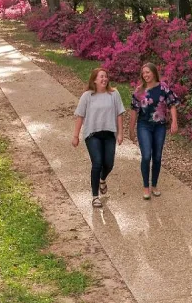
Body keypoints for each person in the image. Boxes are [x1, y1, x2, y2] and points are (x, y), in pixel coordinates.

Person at [73, 67, 126, 208]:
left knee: (109, 163)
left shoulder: (114, 94)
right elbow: (80, 116)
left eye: (105, 76)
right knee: (97, 162)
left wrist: (120, 133)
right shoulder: (87, 96)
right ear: (94, 80)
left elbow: (119, 114)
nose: (104, 79)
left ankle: (103, 179)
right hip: (92, 134)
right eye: (101, 76)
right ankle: (95, 196)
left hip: (109, 134)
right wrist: (76, 136)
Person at [129, 62, 180, 200]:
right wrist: (131, 129)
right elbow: (134, 111)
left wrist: (174, 122)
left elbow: (173, 104)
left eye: (148, 72)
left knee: (157, 157)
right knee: (146, 156)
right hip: (143, 126)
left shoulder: (163, 88)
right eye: (143, 73)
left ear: (154, 72)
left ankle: (155, 185)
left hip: (159, 126)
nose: (145, 75)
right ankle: (146, 186)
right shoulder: (139, 91)